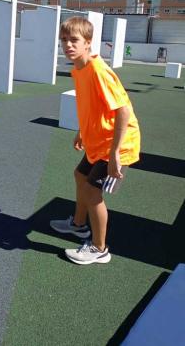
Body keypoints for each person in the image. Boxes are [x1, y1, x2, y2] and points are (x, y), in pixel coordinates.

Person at [51, 16, 140, 265]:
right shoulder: (79, 70)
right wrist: (82, 130)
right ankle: (79, 225)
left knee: (92, 192)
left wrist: (114, 156)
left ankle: (100, 249)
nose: (68, 45)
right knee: (81, 176)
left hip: (117, 145)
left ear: (87, 43)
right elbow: (92, 106)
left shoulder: (99, 71)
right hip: (98, 141)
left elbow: (123, 110)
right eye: (64, 40)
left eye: (74, 40)